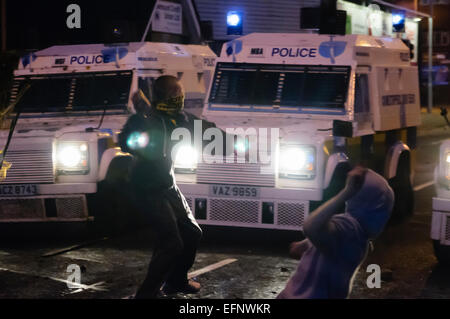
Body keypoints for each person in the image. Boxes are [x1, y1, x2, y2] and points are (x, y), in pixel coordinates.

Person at [119, 75, 210, 299]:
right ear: (169, 96)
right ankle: (146, 294)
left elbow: (195, 129)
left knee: (191, 232)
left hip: (166, 184)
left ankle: (176, 281)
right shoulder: (145, 119)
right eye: (178, 94)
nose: (181, 98)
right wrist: (142, 123)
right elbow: (125, 142)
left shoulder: (173, 117)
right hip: (146, 187)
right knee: (171, 243)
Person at [277, 166, 394, 299]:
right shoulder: (355, 235)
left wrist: (345, 193)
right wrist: (306, 245)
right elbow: (328, 241)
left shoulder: (350, 230)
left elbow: (311, 228)